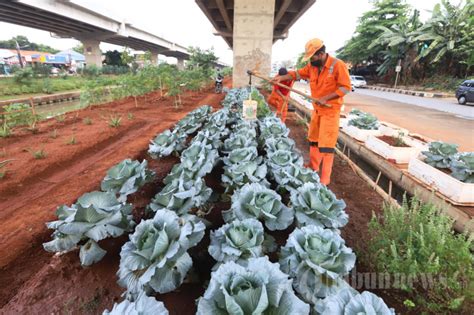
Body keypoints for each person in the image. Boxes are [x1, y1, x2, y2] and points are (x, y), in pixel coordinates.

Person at [272, 38, 351, 185]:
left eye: (312, 57)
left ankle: (324, 179)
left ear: (321, 54)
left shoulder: (337, 65)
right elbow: (296, 74)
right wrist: (281, 77)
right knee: (314, 140)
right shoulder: (312, 67)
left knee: (326, 145)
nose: (311, 60)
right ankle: (313, 167)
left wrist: (326, 98)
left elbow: (345, 87)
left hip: (330, 111)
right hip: (317, 110)